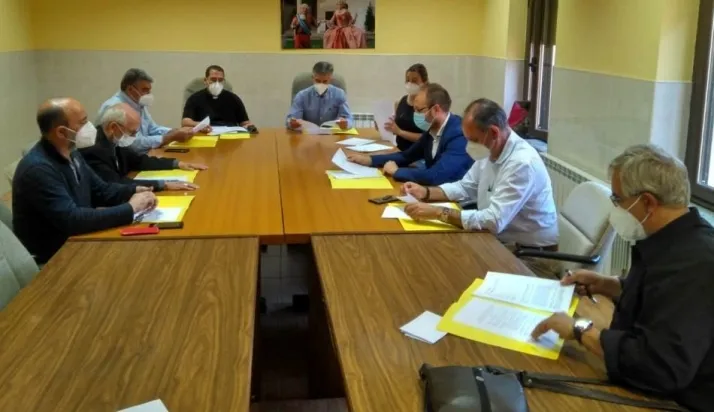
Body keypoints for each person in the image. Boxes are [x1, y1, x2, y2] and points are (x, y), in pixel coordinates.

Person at [531, 144, 714, 412]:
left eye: (617, 199)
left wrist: (581, 330)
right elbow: (661, 296)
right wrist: (609, 285)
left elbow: (660, 368)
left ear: (648, 202)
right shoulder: (677, 237)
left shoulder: (695, 264)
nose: (615, 207)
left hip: (679, 398)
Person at [399, 98, 558, 267]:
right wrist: (426, 192)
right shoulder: (491, 149)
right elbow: (465, 186)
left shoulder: (522, 163)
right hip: (500, 242)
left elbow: (493, 221)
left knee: (451, 266)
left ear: (494, 132)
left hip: (530, 256)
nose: (469, 145)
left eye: (473, 140)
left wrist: (439, 212)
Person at [13, 98, 157, 264]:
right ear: (61, 132)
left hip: (80, 241)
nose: (90, 126)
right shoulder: (38, 169)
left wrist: (135, 190)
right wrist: (131, 208)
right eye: (83, 122)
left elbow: (101, 190)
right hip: (56, 258)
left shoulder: (72, 152)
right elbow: (73, 220)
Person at [347, 84, 473, 186]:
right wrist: (370, 160)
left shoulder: (459, 135)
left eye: (419, 110)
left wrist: (397, 171)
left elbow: (436, 175)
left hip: (458, 201)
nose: (415, 115)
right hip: (435, 191)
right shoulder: (432, 130)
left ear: (435, 109)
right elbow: (406, 156)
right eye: (414, 109)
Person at [81, 103, 208, 192]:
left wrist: (177, 164)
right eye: (132, 133)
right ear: (113, 127)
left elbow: (139, 161)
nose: (134, 137)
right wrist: (162, 185)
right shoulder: (94, 149)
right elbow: (116, 183)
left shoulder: (114, 139)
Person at [98, 68, 196, 155]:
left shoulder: (138, 102)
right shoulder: (114, 107)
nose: (148, 94)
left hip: (144, 154)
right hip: (124, 160)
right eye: (145, 90)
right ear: (130, 89)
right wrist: (168, 138)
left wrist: (175, 131)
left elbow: (152, 128)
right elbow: (132, 144)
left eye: (149, 90)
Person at [182, 65, 257, 133]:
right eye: (213, 79)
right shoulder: (195, 98)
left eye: (220, 80)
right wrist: (199, 125)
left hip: (230, 136)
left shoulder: (233, 98)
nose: (217, 83)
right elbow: (185, 122)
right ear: (205, 80)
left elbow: (245, 122)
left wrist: (250, 127)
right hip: (205, 134)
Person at [286, 61, 353, 130]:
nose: (321, 84)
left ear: (330, 80)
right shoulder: (302, 95)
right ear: (313, 78)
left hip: (331, 134)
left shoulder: (339, 94)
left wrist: (346, 123)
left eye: (325, 81)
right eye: (317, 81)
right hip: (308, 134)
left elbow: (349, 119)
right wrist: (292, 123)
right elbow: (291, 119)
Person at [386, 64, 430, 152]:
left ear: (424, 82)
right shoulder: (400, 101)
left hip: (419, 154)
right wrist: (384, 126)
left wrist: (400, 132)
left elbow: (427, 138)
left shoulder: (428, 105)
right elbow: (396, 129)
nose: (410, 83)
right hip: (399, 150)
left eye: (414, 80)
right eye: (407, 80)